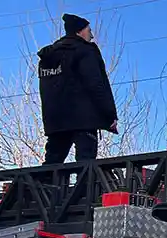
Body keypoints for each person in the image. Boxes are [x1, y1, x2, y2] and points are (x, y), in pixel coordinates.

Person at [37, 14, 118, 165]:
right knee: (86, 164)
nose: (92, 35)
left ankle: (42, 188)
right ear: (79, 31)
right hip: (85, 120)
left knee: (52, 164)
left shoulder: (48, 58)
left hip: (56, 121)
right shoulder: (85, 51)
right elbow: (96, 85)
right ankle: (81, 189)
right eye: (89, 30)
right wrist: (109, 115)